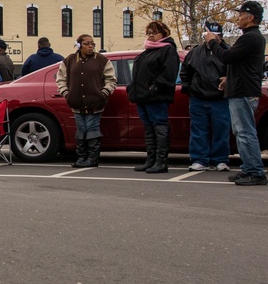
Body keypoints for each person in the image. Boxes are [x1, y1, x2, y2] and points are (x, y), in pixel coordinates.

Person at [204, 1, 268, 186]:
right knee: (240, 131)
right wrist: (228, 78)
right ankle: (248, 168)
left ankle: (255, 171)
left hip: (244, 91)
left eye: (241, 15)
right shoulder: (250, 38)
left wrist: (212, 43)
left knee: (245, 132)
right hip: (241, 88)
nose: (238, 18)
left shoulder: (251, 38)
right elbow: (237, 60)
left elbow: (227, 57)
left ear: (250, 17)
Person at [56, 33, 117, 168]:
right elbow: (60, 79)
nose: (90, 46)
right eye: (87, 44)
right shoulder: (70, 61)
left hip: (96, 103)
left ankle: (92, 158)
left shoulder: (101, 60)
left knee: (92, 129)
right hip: (76, 103)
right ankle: (82, 157)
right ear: (79, 45)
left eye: (92, 44)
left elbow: (111, 79)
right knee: (81, 130)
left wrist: (104, 93)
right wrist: (66, 93)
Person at [127, 21, 180, 174]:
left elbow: (169, 73)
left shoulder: (167, 50)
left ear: (163, 34)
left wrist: (155, 86)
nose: (150, 35)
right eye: (149, 32)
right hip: (142, 96)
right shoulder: (147, 52)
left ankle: (161, 161)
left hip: (156, 97)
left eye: (154, 32)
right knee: (148, 128)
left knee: (159, 126)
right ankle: (151, 159)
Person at [181, 37, 232, 172]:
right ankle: (199, 159)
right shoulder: (195, 52)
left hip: (220, 98)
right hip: (198, 98)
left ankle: (220, 160)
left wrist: (229, 80)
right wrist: (189, 89)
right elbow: (185, 71)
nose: (211, 38)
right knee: (198, 130)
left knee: (221, 130)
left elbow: (236, 69)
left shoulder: (227, 52)